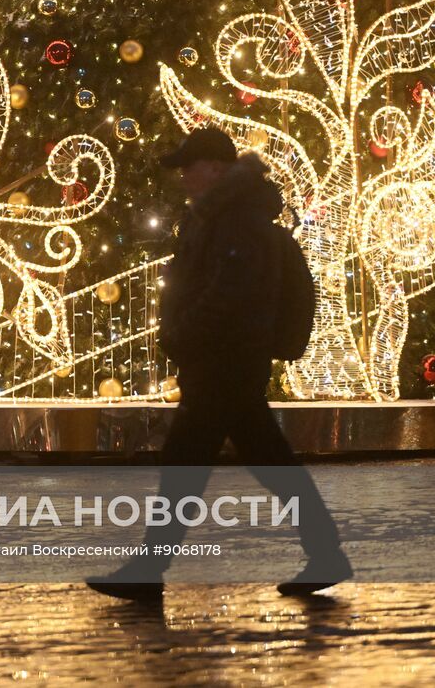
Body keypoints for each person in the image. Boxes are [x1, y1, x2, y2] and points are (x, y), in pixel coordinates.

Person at [88, 127, 351, 601]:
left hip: (225, 356)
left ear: (214, 168)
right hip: (224, 357)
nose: (184, 177)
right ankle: (325, 551)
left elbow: (230, 291)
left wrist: (186, 329)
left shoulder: (236, 218)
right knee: (262, 459)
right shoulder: (221, 214)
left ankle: (149, 570)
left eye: (189, 167)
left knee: (188, 462)